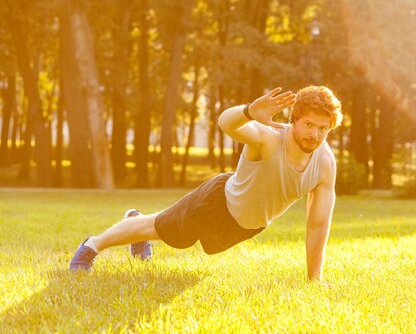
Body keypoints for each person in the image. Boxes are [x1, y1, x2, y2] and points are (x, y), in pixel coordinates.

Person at [69, 85, 342, 281]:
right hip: (218, 203)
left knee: (168, 230)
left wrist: (313, 279)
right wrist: (248, 111)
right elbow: (227, 124)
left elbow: (317, 224)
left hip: (247, 226)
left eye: (322, 128)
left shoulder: (325, 164)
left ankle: (136, 230)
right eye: (309, 125)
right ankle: (91, 246)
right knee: (159, 228)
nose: (315, 134)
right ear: (294, 120)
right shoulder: (270, 138)